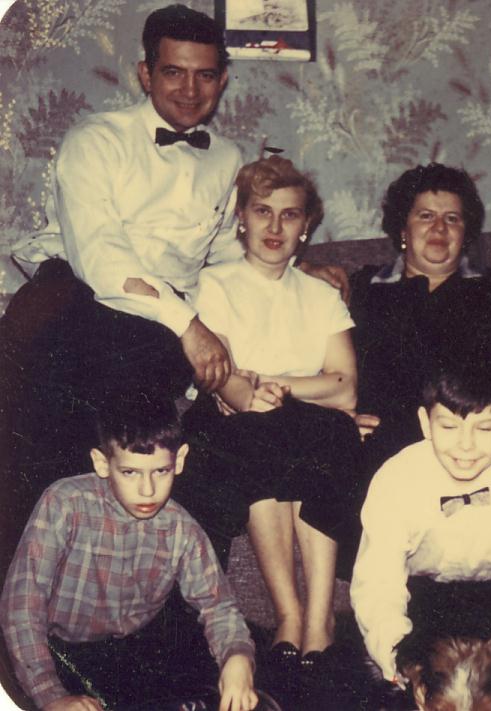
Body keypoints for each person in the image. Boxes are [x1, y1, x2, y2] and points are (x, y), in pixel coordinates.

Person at [0, 4, 345, 555]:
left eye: (204, 74)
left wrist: (303, 267)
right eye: (173, 72)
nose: (189, 89)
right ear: (145, 73)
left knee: (160, 423)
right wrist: (190, 325)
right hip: (84, 293)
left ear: (222, 79)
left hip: (157, 326)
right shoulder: (96, 140)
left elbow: (233, 247)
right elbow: (101, 258)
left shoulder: (229, 159)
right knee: (53, 385)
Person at [181, 155, 362, 684]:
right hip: (237, 424)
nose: (275, 227)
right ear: (242, 218)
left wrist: (274, 384)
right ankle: (289, 612)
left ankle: (321, 616)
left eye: (290, 215)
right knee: (261, 432)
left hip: (301, 418)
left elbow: (346, 386)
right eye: (263, 211)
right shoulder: (213, 284)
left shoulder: (322, 294)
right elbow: (223, 379)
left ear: (307, 226)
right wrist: (253, 390)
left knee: (332, 430)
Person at [0, 397, 258, 711]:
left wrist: (237, 656)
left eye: (161, 471)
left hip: (132, 654)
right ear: (101, 463)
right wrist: (50, 695)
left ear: (179, 460)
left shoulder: (181, 528)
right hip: (55, 650)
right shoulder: (64, 503)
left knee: (222, 681)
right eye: (131, 473)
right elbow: (21, 607)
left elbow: (218, 606)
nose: (148, 490)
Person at [351, 363, 491, 696]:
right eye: (449, 427)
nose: (466, 446)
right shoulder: (395, 480)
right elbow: (378, 585)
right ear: (426, 423)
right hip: (422, 601)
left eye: (485, 429)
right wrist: (401, 658)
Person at [348, 163, 491, 478]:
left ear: (465, 234)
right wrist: (343, 418)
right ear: (402, 229)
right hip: (395, 431)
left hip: (488, 423)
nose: (439, 229)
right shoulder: (364, 288)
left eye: (452, 218)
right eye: (425, 216)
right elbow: (330, 365)